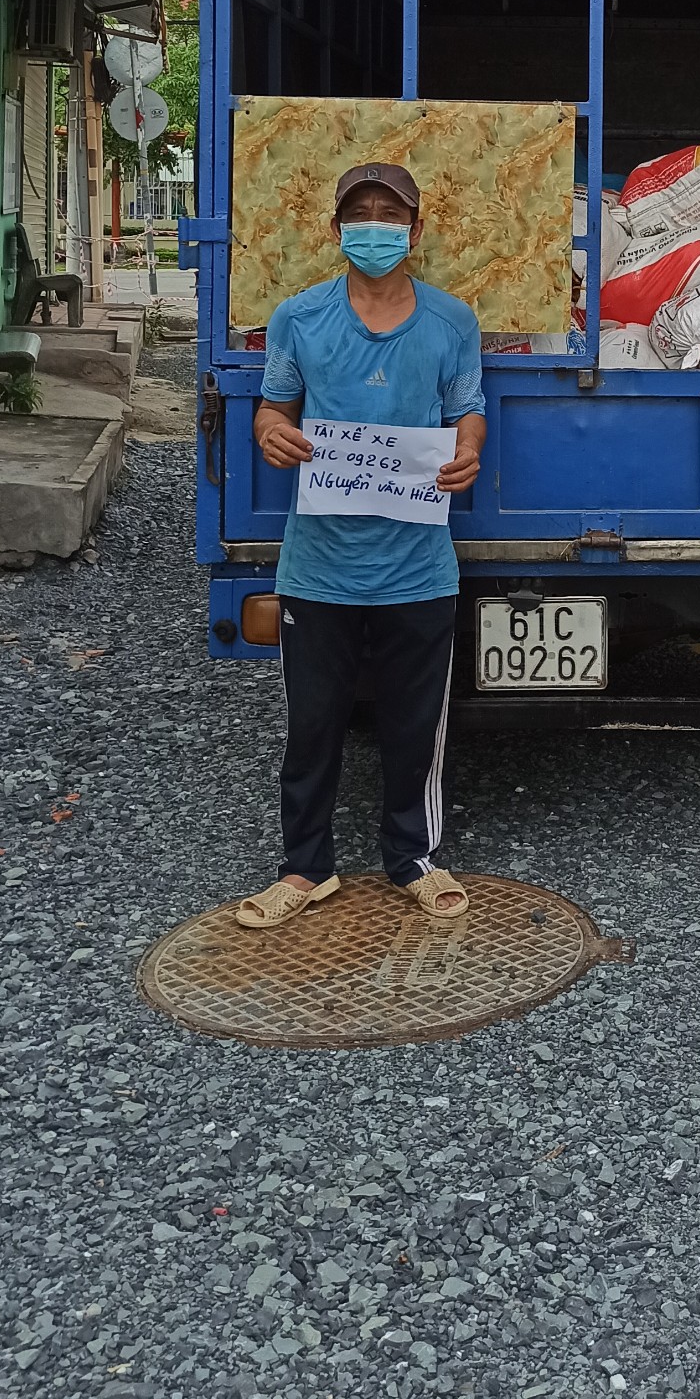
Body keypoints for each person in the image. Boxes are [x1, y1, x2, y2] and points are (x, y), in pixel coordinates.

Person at [236, 162, 486, 931]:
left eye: (390, 215)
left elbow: (468, 408)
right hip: (318, 569)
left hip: (419, 570)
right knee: (312, 726)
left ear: (416, 231)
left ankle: (414, 858)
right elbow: (272, 408)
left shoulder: (452, 322)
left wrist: (469, 450)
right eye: (360, 214)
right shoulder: (300, 318)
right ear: (336, 229)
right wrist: (272, 433)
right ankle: (304, 868)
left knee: (416, 728)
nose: (374, 227)